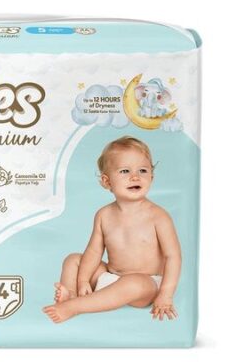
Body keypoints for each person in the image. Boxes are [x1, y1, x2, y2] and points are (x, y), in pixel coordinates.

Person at [43, 136, 181, 323]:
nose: (135, 177)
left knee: (133, 283)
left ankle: (75, 307)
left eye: (143, 170)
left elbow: (173, 256)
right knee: (73, 260)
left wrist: (165, 294)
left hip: (146, 284)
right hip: (111, 277)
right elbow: (94, 252)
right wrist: (83, 281)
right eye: (125, 171)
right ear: (107, 182)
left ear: (151, 177)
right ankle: (72, 295)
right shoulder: (104, 215)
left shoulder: (159, 216)